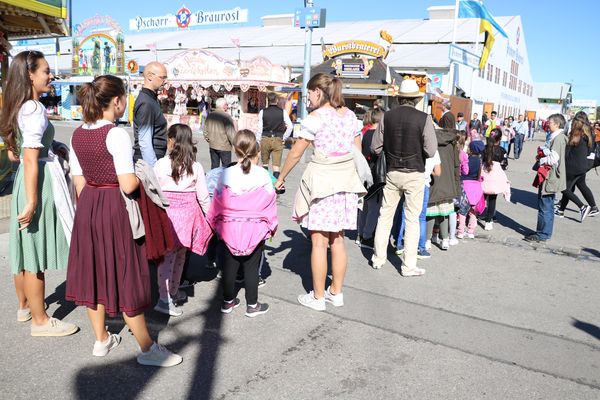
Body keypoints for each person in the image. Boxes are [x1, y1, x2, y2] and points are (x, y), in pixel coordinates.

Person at [66, 75, 182, 366]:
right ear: (117, 101)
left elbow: (78, 181)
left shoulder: (77, 133)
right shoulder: (116, 134)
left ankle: (101, 339)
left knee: (94, 271)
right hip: (114, 206)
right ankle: (146, 349)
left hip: (89, 204)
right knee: (125, 273)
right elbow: (128, 184)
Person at [1, 50, 78, 337]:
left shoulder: (16, 107)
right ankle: (41, 320)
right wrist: (33, 200)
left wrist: (51, 145)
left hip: (24, 180)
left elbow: (14, 156)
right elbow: (30, 158)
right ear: (30, 75)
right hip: (37, 183)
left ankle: (23, 307)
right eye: (46, 71)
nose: (50, 75)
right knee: (34, 252)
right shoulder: (33, 108)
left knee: (24, 249)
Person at [275, 73, 365, 307]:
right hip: (345, 183)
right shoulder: (351, 116)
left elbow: (296, 152)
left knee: (319, 242)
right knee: (338, 239)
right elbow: (357, 151)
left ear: (317, 91)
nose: (308, 100)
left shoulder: (315, 118)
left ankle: (317, 297)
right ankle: (336, 292)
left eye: (309, 94)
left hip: (323, 184)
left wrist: (281, 177)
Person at [370, 79, 437, 276]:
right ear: (416, 99)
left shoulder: (387, 117)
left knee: (385, 215)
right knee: (412, 218)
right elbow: (431, 150)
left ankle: (378, 258)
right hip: (415, 172)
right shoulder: (424, 118)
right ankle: (408, 266)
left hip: (392, 171)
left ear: (399, 99)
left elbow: (375, 147)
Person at [208, 130, 277, 317]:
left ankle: (228, 302)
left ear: (234, 149)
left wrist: (214, 224)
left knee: (229, 266)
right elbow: (270, 203)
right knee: (251, 268)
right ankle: (252, 305)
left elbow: (216, 202)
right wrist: (271, 227)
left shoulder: (226, 174)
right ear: (255, 149)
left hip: (230, 228)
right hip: (254, 229)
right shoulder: (263, 175)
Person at [153, 123, 212, 316]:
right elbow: (203, 197)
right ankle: (171, 293)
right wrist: (211, 219)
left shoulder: (161, 165)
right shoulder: (195, 167)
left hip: (167, 218)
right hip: (188, 219)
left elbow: (153, 192)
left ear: (171, 141)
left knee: (167, 260)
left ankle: (165, 296)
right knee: (180, 257)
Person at [525, 114, 568, 243]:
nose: (548, 124)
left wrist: (541, 159)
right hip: (549, 175)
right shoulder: (557, 137)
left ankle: (542, 234)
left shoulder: (558, 138)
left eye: (550, 122)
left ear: (557, 124)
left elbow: (554, 158)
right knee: (546, 205)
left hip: (550, 175)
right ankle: (543, 232)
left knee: (545, 206)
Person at [554, 112, 598, 220]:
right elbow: (591, 152)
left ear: (576, 122)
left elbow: (567, 152)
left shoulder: (575, 134)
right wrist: (588, 165)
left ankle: (582, 207)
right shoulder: (590, 134)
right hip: (583, 166)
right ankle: (561, 210)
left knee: (564, 187)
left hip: (572, 166)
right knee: (578, 186)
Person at [133, 61, 168, 166]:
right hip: (148, 160)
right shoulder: (146, 102)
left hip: (152, 157)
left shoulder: (151, 99)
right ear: (149, 76)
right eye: (162, 77)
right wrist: (154, 168)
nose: (165, 81)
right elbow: (144, 140)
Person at [257, 92, 293, 181]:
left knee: (265, 163)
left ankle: (264, 183)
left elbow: (259, 128)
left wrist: (258, 141)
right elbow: (290, 126)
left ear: (267, 100)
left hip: (265, 138)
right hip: (278, 138)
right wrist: (284, 137)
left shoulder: (262, 112)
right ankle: (275, 185)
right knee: (276, 165)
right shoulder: (283, 112)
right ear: (277, 100)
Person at [480, 128, 510, 230]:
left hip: (484, 175)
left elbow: (481, 160)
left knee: (482, 197)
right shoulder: (502, 150)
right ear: (500, 138)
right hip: (495, 176)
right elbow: (505, 165)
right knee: (492, 199)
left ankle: (474, 216)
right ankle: (489, 221)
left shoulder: (484, 148)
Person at [457, 140, 485, 239]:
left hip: (466, 185)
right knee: (473, 211)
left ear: (471, 149)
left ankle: (460, 231)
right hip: (476, 186)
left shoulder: (468, 159)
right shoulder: (479, 160)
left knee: (462, 210)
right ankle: (471, 231)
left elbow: (464, 171)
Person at [204, 98, 236, 169]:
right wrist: (235, 144)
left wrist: (210, 140)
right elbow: (231, 133)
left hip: (213, 145)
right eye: (226, 105)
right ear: (224, 106)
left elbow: (205, 131)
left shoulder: (210, 115)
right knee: (226, 168)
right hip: (225, 146)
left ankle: (213, 180)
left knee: (214, 167)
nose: (227, 106)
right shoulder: (226, 116)